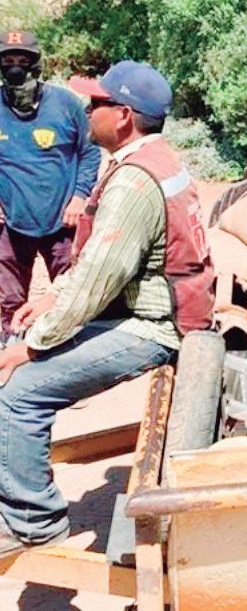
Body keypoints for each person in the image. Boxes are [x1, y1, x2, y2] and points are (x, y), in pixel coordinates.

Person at [0, 60, 215, 557]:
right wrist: (52, 297)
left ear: (123, 116)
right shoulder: (155, 158)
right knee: (22, 344)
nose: (85, 109)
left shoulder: (133, 182)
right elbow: (96, 262)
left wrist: (34, 347)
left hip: (155, 326)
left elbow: (100, 277)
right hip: (154, 309)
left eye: (96, 102)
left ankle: (33, 522)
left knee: (17, 392)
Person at [0, 30, 101, 340]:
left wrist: (80, 195)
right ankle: (11, 345)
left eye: (23, 61)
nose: (15, 68)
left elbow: (90, 152)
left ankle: (67, 346)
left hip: (63, 222)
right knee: (8, 298)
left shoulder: (65, 104)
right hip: (10, 224)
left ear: (36, 64)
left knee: (72, 292)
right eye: (8, 61)